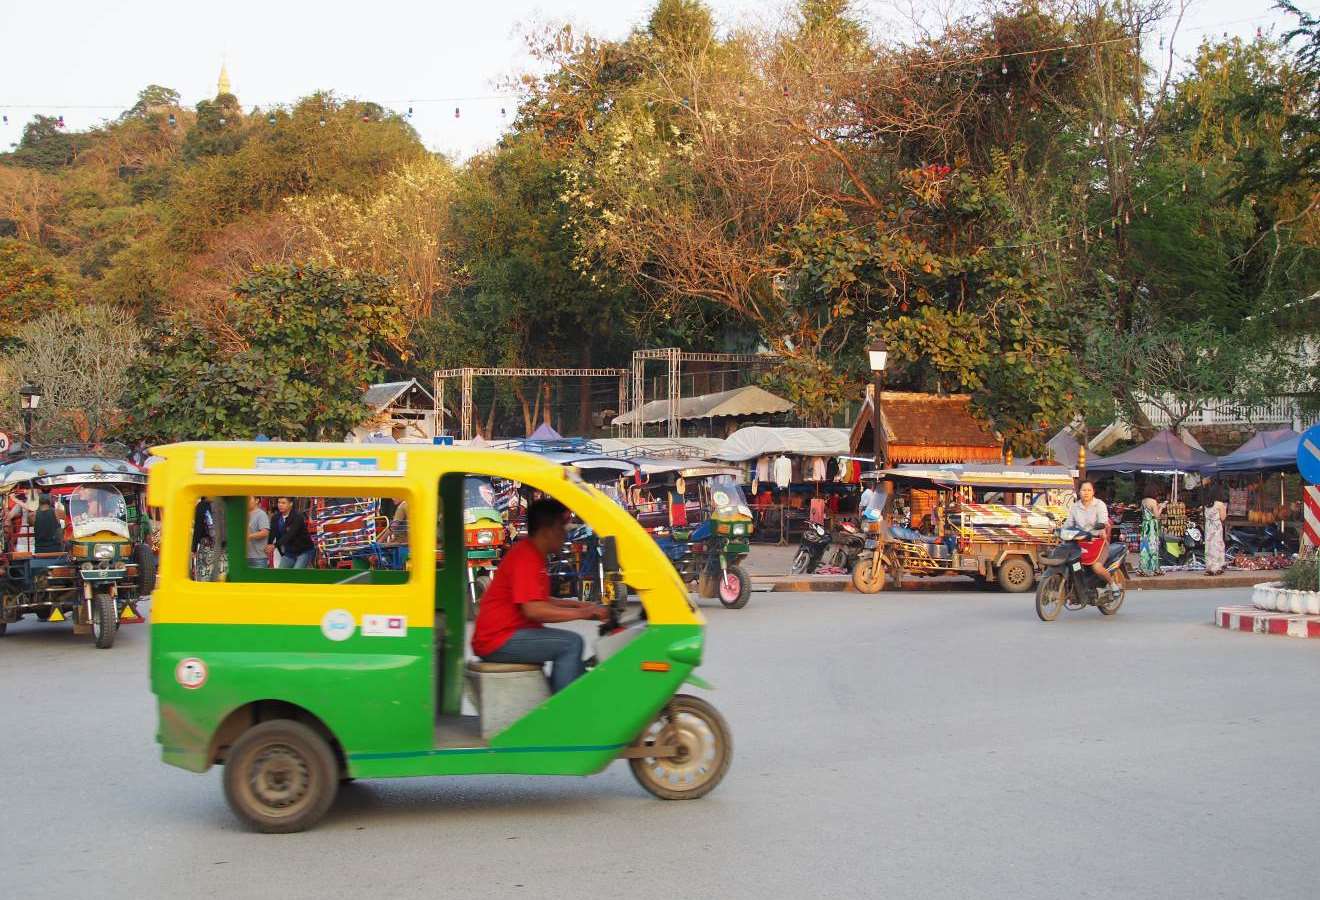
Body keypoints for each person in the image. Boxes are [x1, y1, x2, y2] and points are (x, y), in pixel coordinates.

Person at [472, 498, 607, 693]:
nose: (565, 534)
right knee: (571, 644)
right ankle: (558, 715)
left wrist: (583, 607)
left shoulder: (533, 555)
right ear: (547, 531)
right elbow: (534, 609)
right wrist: (584, 614)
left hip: (506, 635)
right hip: (498, 639)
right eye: (561, 529)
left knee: (578, 668)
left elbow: (540, 599)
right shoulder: (526, 556)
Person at [1065, 481, 1119, 598]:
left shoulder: (1099, 505)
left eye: (1089, 490)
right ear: (1079, 492)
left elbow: (1103, 521)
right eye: (1084, 490)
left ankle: (1113, 585)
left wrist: (1101, 527)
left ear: (1093, 492)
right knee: (1071, 563)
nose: (1086, 493)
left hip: (1098, 542)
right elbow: (1068, 523)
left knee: (1096, 567)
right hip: (1080, 542)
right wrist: (1061, 530)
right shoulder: (1075, 507)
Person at [275, 497, 315, 568]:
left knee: (296, 573)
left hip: (304, 551)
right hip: (289, 553)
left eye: (283, 503)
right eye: (279, 502)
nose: (280, 505)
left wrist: (274, 545)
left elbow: (290, 534)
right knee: (280, 574)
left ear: (291, 504)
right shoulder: (277, 518)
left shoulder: (297, 517)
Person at [1204, 493, 1227, 576]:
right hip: (1216, 527)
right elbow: (1223, 517)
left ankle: (1209, 567)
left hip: (1208, 527)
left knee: (1209, 546)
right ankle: (1217, 567)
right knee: (1217, 546)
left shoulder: (1206, 504)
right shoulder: (1220, 504)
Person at [1138, 497, 1162, 576]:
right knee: (1152, 547)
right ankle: (1153, 569)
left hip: (1145, 526)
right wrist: (1161, 507)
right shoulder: (1153, 501)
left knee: (1145, 547)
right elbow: (1157, 516)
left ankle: (1144, 568)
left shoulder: (1143, 501)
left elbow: (1148, 512)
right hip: (1151, 526)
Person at [246, 497, 270, 568]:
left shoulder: (261, 514)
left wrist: (248, 536)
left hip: (258, 557)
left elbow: (265, 532)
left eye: (249, 499)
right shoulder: (243, 514)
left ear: (257, 500)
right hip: (245, 557)